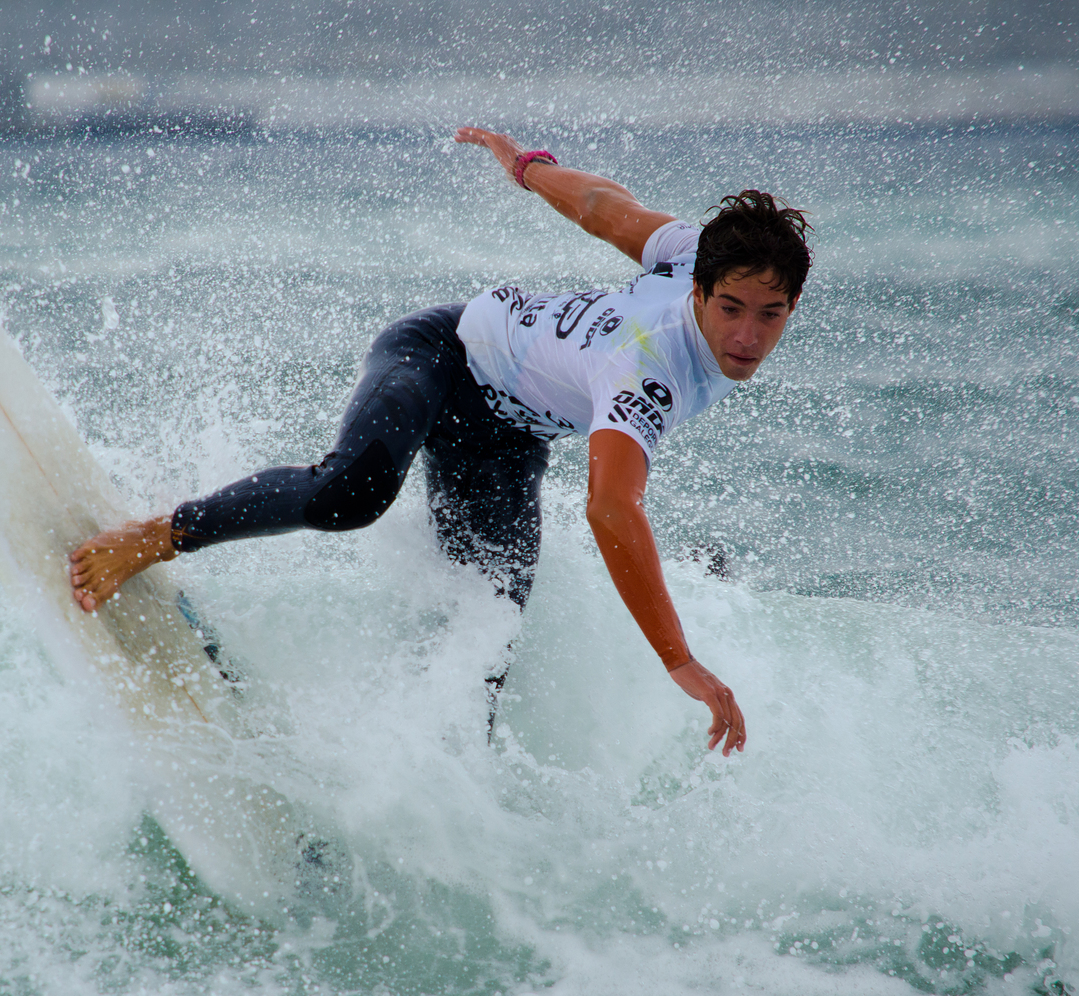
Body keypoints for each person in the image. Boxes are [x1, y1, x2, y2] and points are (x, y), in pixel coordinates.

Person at [69, 126, 813, 757]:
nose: (747, 337)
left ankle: (398, 774)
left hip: (506, 439)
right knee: (349, 494)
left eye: (771, 315)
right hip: (440, 355)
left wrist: (528, 167)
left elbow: (600, 207)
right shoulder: (649, 373)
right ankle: (157, 535)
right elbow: (611, 509)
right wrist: (678, 660)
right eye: (730, 309)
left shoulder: (695, 253)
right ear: (697, 290)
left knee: (481, 651)